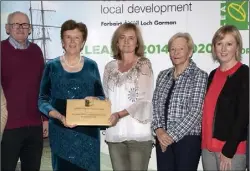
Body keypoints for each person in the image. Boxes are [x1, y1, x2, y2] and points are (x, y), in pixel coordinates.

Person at [38, 19, 105, 171]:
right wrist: (60, 117)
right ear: (62, 42)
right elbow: (42, 100)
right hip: (61, 130)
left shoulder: (91, 66)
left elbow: (101, 97)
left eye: (77, 38)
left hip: (88, 133)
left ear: (82, 43)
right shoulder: (51, 66)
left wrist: (95, 100)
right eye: (68, 37)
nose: (72, 41)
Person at [151, 32, 208, 171]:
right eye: (172, 49)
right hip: (162, 139)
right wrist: (159, 130)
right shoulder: (163, 75)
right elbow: (156, 105)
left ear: (189, 52)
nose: (176, 53)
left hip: (187, 141)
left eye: (181, 49)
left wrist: (169, 136)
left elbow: (196, 111)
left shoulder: (199, 76)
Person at [1, 11, 48, 171]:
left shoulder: (36, 51)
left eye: (25, 24)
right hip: (7, 127)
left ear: (30, 29)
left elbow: (43, 88)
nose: (21, 28)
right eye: (16, 24)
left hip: (34, 126)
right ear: (7, 28)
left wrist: (45, 118)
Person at [103, 23, 154, 171]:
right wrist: (95, 103)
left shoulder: (144, 64)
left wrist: (119, 114)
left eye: (131, 38)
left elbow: (144, 100)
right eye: (122, 38)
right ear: (117, 42)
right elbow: (106, 97)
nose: (126, 41)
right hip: (114, 133)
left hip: (138, 133)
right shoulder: (109, 67)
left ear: (137, 42)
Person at [201, 25, 249, 171]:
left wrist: (229, 150)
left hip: (230, 151)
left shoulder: (244, 73)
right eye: (219, 44)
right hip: (207, 148)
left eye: (229, 44)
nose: (223, 49)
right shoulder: (212, 75)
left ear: (237, 47)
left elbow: (243, 116)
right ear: (214, 47)